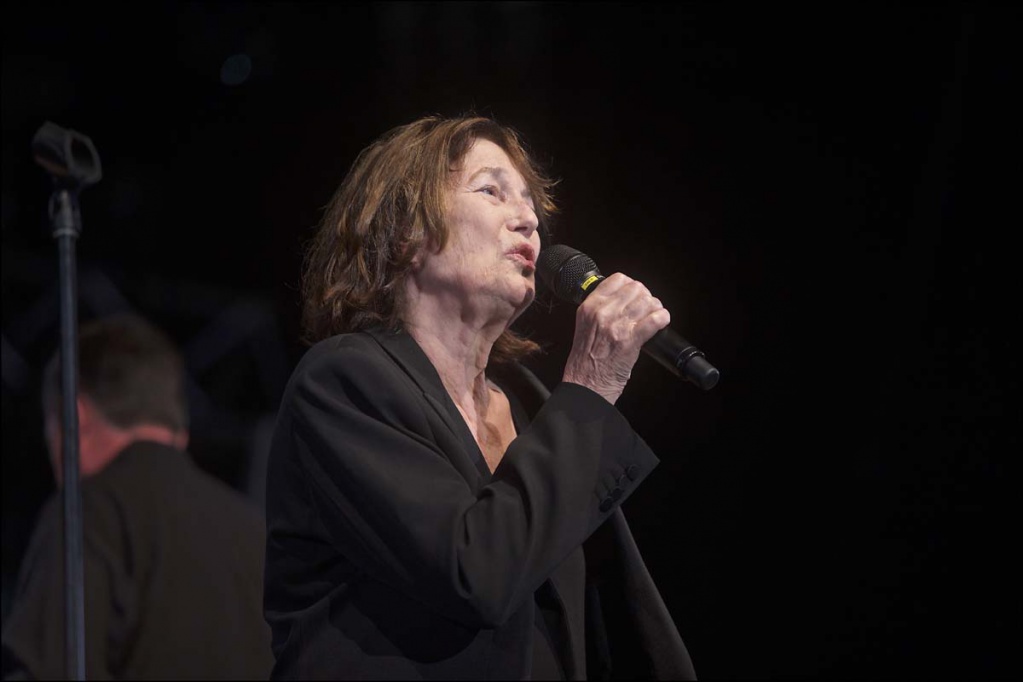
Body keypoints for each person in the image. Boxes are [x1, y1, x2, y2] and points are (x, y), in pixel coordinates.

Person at [264, 114, 697, 680]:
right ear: (406, 233)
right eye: (492, 191)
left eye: (531, 205)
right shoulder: (345, 380)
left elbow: (602, 615)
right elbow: (474, 575)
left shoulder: (530, 404)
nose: (529, 220)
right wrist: (592, 385)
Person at [1, 314, 274, 680]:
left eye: (50, 433)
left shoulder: (92, 512)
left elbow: (47, 670)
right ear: (178, 429)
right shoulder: (258, 534)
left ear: (75, 418)